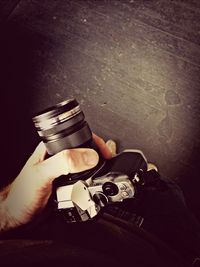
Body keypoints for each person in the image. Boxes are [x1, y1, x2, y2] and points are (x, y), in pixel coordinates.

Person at [0, 134, 200, 267]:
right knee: (158, 189)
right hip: (146, 245)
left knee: (158, 192)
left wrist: (7, 214)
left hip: (84, 218)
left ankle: (107, 173)